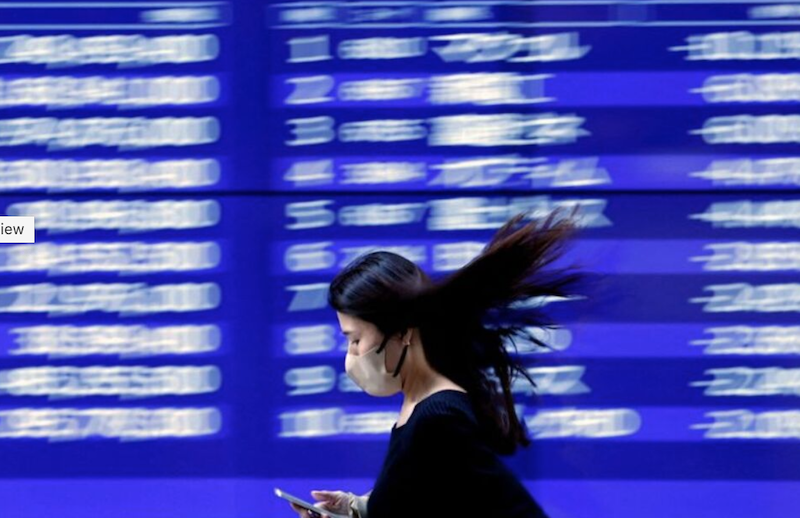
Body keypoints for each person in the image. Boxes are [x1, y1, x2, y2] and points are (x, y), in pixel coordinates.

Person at [288, 207, 588, 518]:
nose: (351, 357)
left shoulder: (438, 418)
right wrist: (356, 509)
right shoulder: (423, 410)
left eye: (355, 340)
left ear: (402, 332)